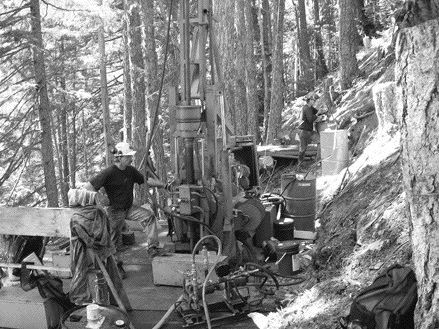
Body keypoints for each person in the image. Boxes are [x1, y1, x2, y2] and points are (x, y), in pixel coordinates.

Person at [84, 142, 165, 278]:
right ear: (119, 157)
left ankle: (152, 248)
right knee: (115, 240)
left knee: (149, 217)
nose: (131, 159)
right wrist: (99, 202)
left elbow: (145, 181)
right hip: (114, 211)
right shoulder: (109, 172)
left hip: (128, 208)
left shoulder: (130, 170)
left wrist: (163, 184)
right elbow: (89, 187)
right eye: (128, 157)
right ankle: (116, 266)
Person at [298, 96, 319, 165]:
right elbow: (310, 119)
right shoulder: (306, 108)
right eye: (313, 100)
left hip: (309, 131)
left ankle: (318, 160)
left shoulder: (310, 107)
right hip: (304, 131)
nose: (314, 101)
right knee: (303, 149)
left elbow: (316, 111)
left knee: (320, 140)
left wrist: (322, 111)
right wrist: (318, 114)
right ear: (309, 100)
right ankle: (300, 164)